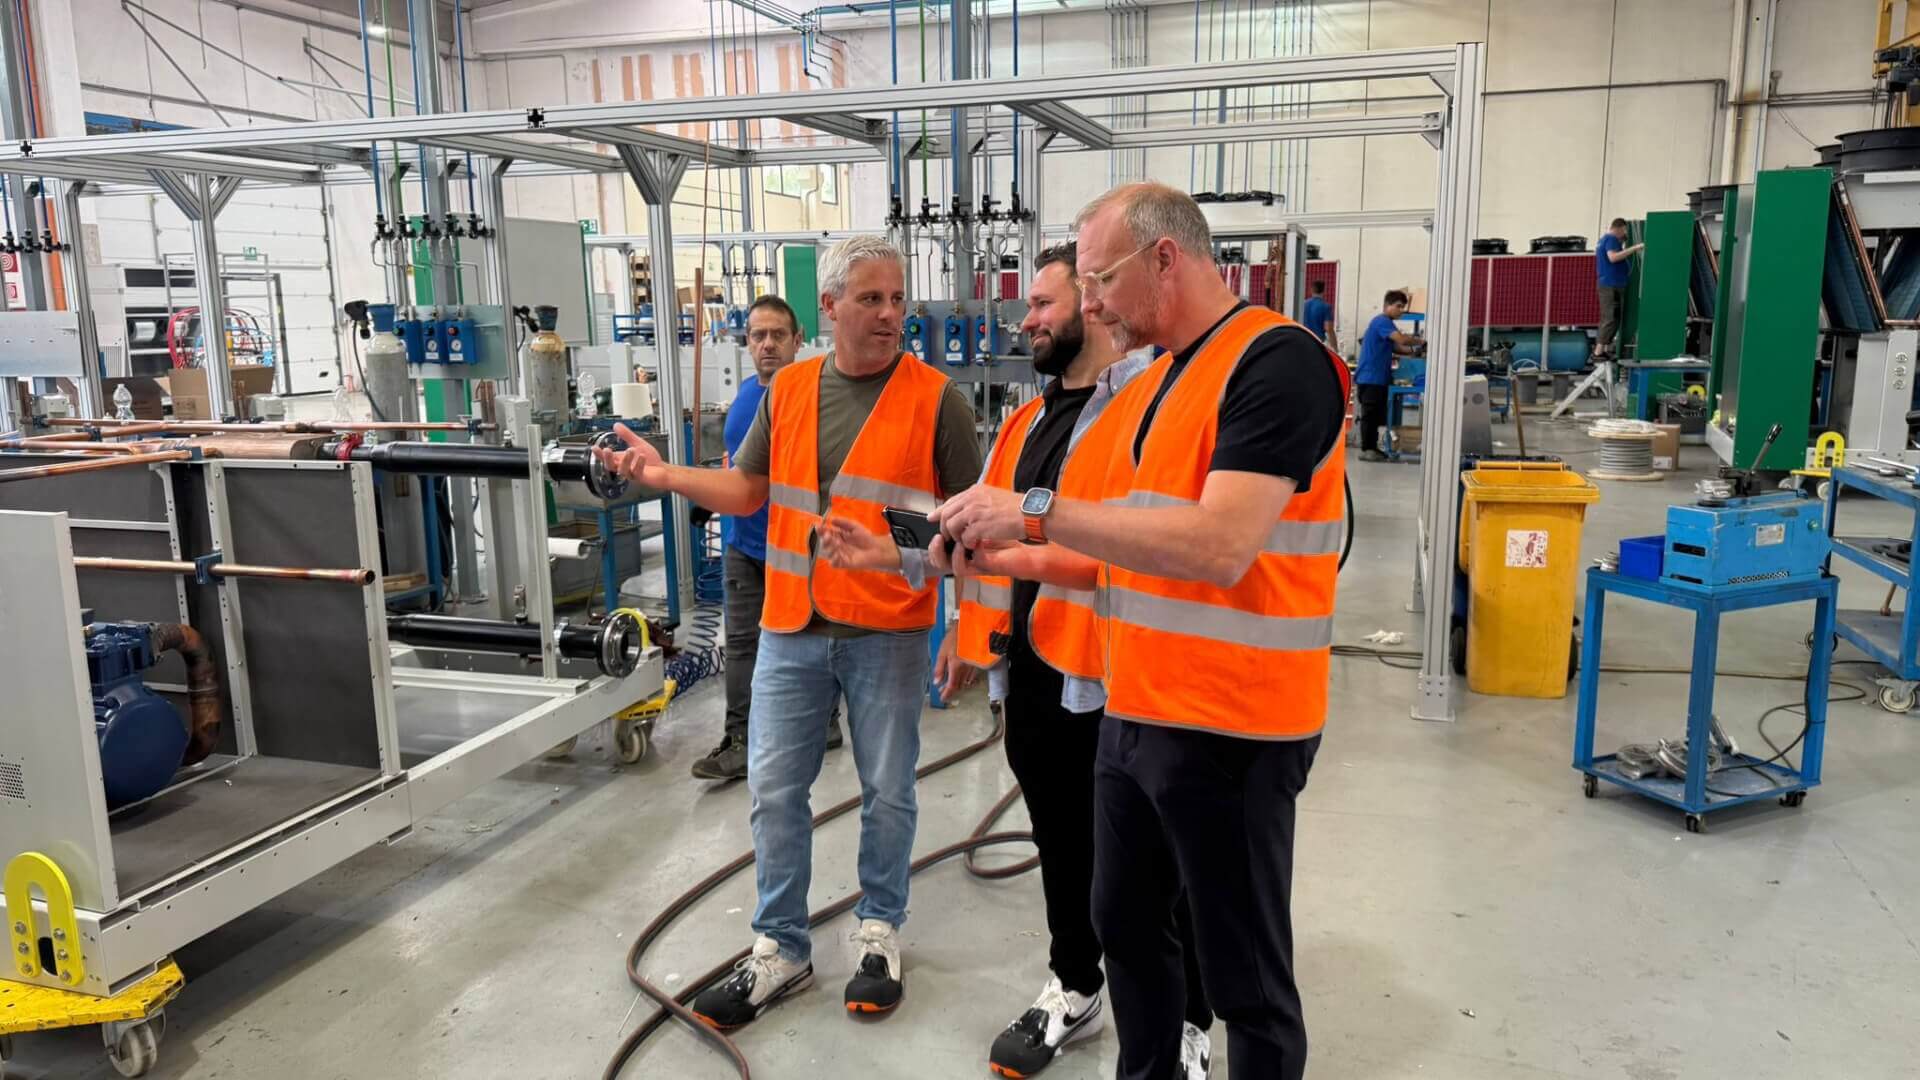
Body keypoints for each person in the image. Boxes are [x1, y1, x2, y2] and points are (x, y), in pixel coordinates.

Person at [934, 182, 1348, 1080]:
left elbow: (1217, 545)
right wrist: (970, 553)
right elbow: (1108, 555)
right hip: (1136, 712)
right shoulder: (1157, 381)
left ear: (1166, 257)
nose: (1087, 305)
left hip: (1237, 725)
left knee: (1245, 982)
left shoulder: (1277, 364)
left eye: (1098, 280)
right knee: (1124, 929)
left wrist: (1035, 508)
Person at [833, 245, 1216, 1078]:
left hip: (1125, 676)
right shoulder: (1026, 421)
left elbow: (1137, 546)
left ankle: (1189, 1018)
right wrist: (892, 560)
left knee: (1157, 862)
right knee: (1063, 841)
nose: (1027, 320)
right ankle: (1076, 984)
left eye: (1042, 304)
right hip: (1039, 673)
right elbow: (982, 539)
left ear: (1095, 303)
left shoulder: (1150, 410)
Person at [595, 235, 983, 1028]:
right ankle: (781, 946)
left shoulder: (940, 399)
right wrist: (666, 476)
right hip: (792, 626)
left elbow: (970, 528)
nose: (889, 314)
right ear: (831, 307)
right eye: (871, 299)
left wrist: (963, 623)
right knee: (774, 791)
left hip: (890, 631)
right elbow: (745, 490)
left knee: (887, 790)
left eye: (898, 298)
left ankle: (878, 930)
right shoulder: (790, 389)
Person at [694, 295, 843, 781]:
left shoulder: (813, 398)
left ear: (798, 340)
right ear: (746, 343)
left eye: (779, 334)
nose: (768, 344)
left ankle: (826, 722)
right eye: (758, 335)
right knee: (741, 643)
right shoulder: (743, 400)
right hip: (744, 545)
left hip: (797, 549)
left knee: (811, 637)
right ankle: (738, 739)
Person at [1355, 289, 1422, 462]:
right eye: (1398, 306)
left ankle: (1373, 447)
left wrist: (1416, 351)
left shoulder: (1385, 324)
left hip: (1378, 377)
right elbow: (1401, 340)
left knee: (1377, 414)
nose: (1400, 310)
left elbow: (1398, 348)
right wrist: (1420, 341)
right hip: (1370, 377)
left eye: (1402, 307)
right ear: (1387, 306)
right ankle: (1367, 449)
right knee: (1370, 414)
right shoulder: (1382, 321)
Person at [1595, 217, 1644, 359]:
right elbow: (1613, 257)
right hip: (1611, 284)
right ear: (1621, 228)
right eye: (1624, 232)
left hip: (1610, 283)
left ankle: (1604, 348)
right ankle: (1598, 351)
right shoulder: (1611, 239)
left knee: (1613, 317)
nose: (1624, 236)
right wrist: (1635, 248)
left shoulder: (1603, 240)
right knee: (1609, 317)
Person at [1301, 279, 1336, 352]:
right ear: (1324, 291)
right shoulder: (1326, 307)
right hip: (1318, 343)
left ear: (1311, 290)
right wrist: (1335, 348)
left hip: (1303, 340)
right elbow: (1329, 329)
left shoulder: (1302, 305)